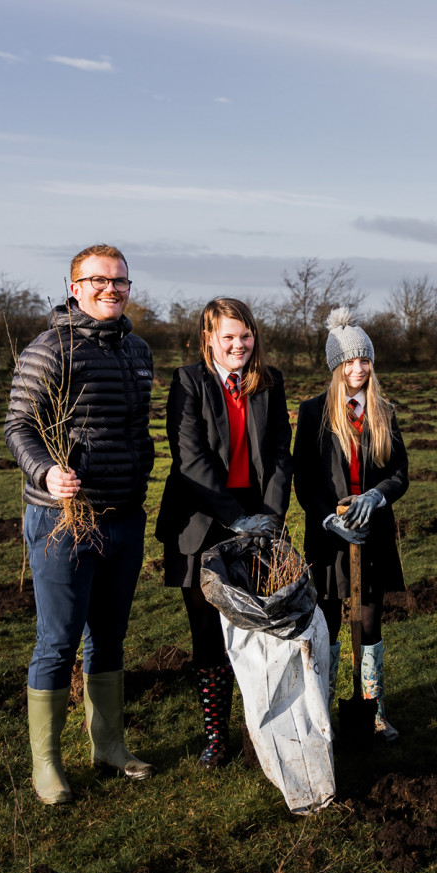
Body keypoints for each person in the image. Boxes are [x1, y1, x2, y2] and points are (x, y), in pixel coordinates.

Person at [5, 243, 155, 805]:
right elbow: (18, 425)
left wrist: (141, 475)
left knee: (109, 637)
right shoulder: (49, 349)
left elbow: (137, 429)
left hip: (123, 517)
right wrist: (45, 474)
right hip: (64, 520)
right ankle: (47, 764)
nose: (110, 290)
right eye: (98, 281)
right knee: (58, 640)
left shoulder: (138, 351)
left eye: (120, 281)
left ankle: (109, 746)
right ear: (75, 288)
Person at [154, 297, 293, 770]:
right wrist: (234, 516)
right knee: (208, 632)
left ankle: (262, 731)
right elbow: (190, 458)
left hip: (259, 519)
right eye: (228, 336)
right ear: (208, 338)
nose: (239, 344)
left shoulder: (269, 382)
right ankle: (216, 736)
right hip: (201, 521)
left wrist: (270, 517)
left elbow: (278, 454)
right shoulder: (188, 381)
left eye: (246, 335)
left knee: (258, 628)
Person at [294, 309, 408, 742]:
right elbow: (304, 479)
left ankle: (373, 709)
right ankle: (323, 708)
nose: (357, 369)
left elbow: (400, 471)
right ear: (335, 366)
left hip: (372, 535)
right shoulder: (313, 413)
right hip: (329, 539)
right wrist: (329, 518)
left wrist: (376, 497)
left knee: (369, 620)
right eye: (349, 362)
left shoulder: (384, 411)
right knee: (326, 623)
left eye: (364, 361)